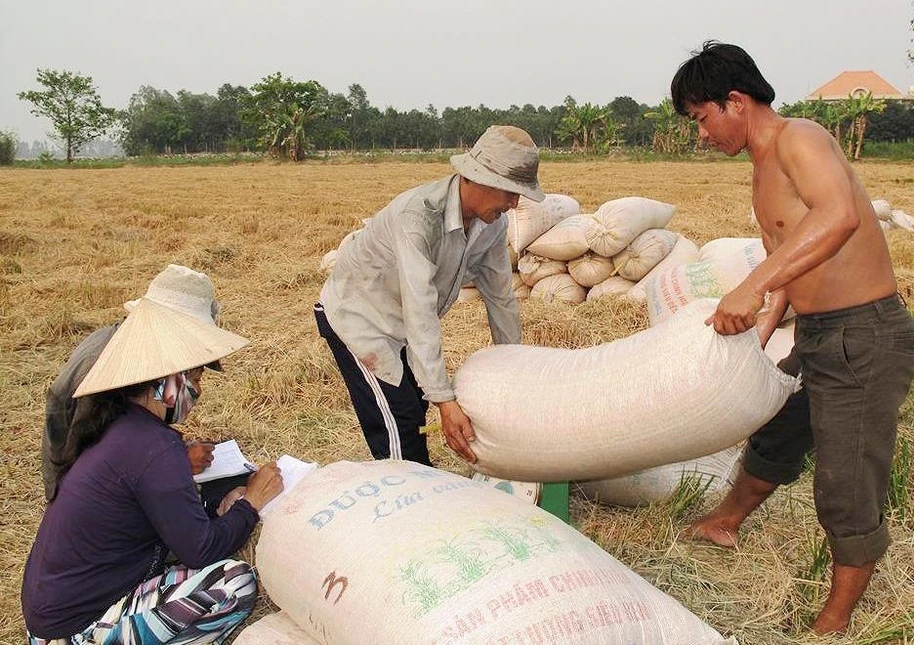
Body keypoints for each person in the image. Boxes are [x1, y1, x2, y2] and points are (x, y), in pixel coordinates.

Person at [670, 42, 914, 634]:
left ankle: (833, 621)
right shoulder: (762, 168)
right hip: (819, 334)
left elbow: (838, 217)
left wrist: (750, 289)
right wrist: (763, 326)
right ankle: (723, 522)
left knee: (845, 479)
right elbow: (791, 255)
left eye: (702, 119)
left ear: (735, 101)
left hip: (864, 336)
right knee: (778, 432)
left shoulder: (798, 138)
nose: (701, 136)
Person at [22, 270, 284, 644]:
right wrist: (252, 504)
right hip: (73, 631)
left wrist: (216, 513)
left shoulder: (120, 424)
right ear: (169, 381)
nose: (198, 390)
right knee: (235, 584)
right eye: (194, 378)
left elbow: (171, 524)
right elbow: (201, 548)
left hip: (54, 613)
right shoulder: (156, 448)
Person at [315, 125, 544, 466]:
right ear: (475, 179)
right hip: (359, 317)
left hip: (401, 320)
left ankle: (420, 481)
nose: (514, 204)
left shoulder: (492, 226)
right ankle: (405, 493)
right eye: (509, 192)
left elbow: (501, 298)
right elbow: (420, 309)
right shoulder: (418, 218)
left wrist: (513, 366)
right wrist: (445, 400)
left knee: (413, 403)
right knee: (400, 420)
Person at [43, 265, 232, 508]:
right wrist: (177, 463)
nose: (197, 389)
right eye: (194, 378)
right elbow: (100, 465)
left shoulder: (147, 356)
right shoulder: (108, 369)